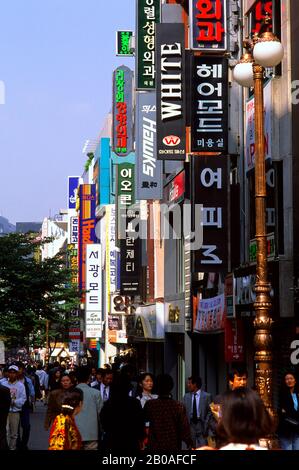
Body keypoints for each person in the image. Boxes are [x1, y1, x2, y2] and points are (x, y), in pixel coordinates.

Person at [144, 374, 192, 451]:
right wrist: (189, 442)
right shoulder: (178, 406)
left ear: (157, 386)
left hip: (154, 446)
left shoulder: (150, 405)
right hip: (173, 445)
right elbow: (184, 429)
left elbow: (142, 421)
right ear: (171, 387)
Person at [100, 374, 145, 452]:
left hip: (113, 440)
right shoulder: (135, 403)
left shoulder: (109, 404)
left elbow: (104, 422)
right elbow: (140, 422)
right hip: (131, 440)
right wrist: (140, 437)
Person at [75, 366, 103, 450]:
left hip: (74, 432)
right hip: (92, 433)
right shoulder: (96, 393)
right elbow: (100, 414)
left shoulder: (70, 393)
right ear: (89, 377)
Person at [0, 365, 26, 450]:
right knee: (5, 432)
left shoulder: (21, 386)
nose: (12, 375)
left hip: (15, 411)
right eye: (10, 372)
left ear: (17, 374)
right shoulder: (3, 384)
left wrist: (14, 402)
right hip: (4, 412)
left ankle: (12, 448)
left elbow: (23, 399)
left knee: (14, 434)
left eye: (14, 373)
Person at [183, 376, 212, 448]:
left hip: (201, 423)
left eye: (189, 383)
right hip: (191, 424)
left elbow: (210, 411)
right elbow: (183, 411)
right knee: (190, 446)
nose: (188, 385)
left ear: (195, 384)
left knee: (203, 445)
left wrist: (206, 423)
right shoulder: (186, 396)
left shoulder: (207, 396)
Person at [277, 370, 299, 450]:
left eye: (291, 378)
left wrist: (289, 412)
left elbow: (288, 411)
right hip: (286, 429)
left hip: (297, 429)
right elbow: (282, 412)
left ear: (295, 380)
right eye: (287, 379)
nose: (289, 380)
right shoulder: (282, 393)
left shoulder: (298, 393)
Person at [0, 383, 11, 449]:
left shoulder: (5, 389)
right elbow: (8, 404)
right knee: (2, 434)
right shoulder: (5, 389)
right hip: (2, 416)